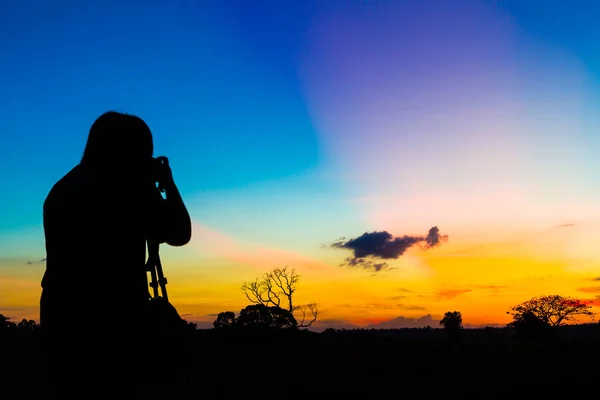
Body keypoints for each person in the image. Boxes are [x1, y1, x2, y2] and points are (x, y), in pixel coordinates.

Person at [40, 111, 192, 399]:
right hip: (118, 322)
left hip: (62, 317)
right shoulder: (126, 190)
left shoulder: (62, 189)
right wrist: (167, 184)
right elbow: (179, 233)